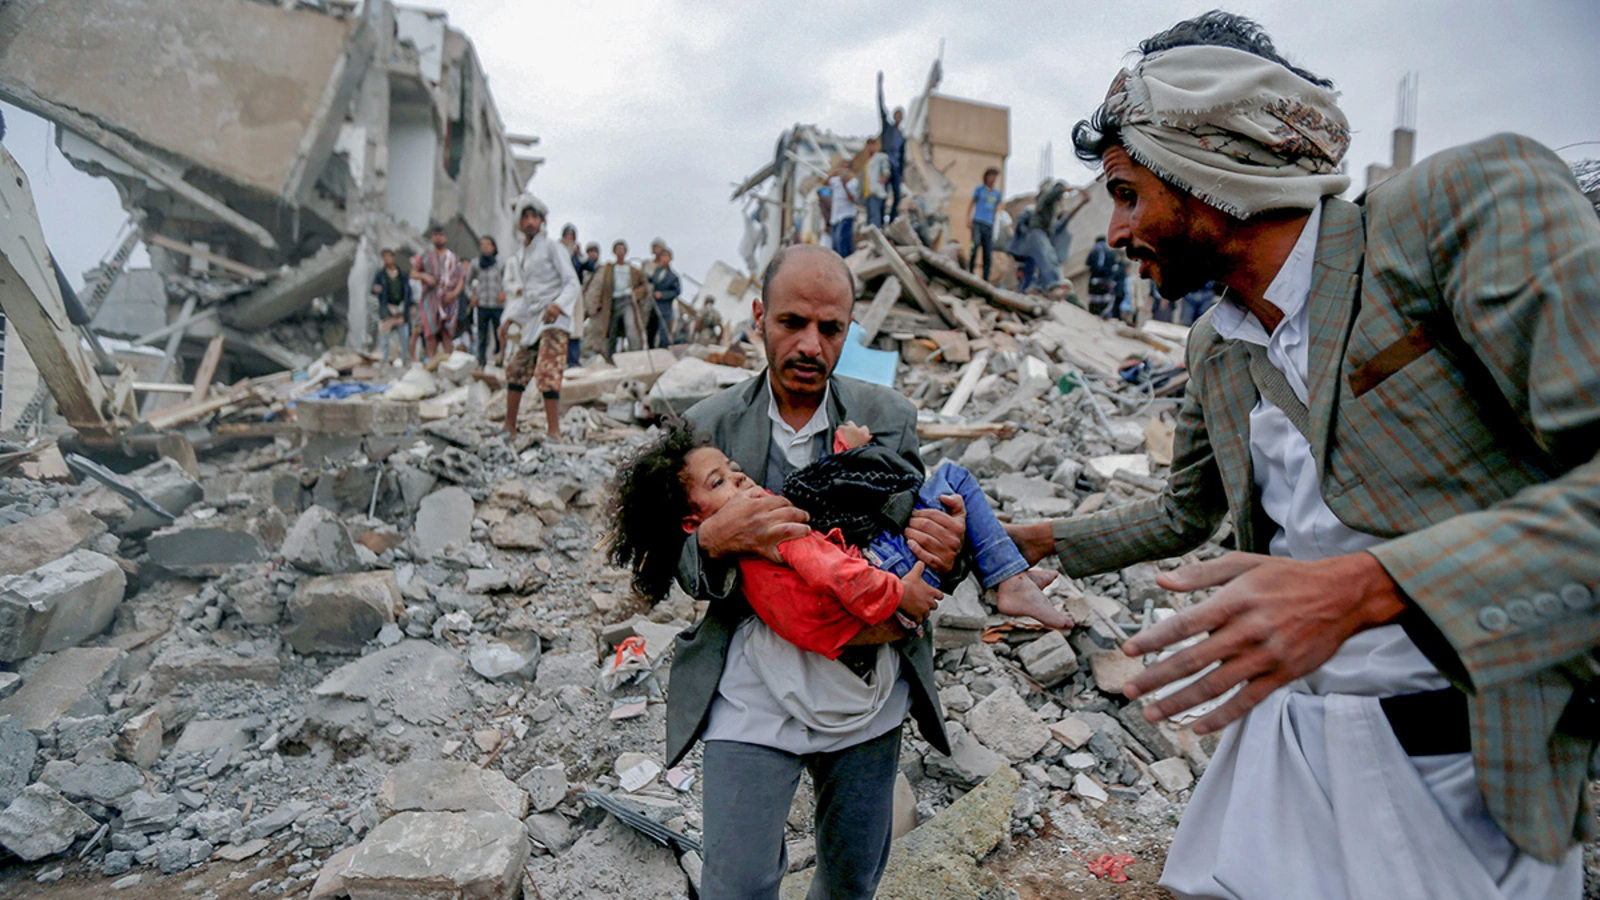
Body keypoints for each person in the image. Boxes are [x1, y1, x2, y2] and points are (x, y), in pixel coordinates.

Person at [1006, 12, 1599, 899]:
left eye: (1127, 193)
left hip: (1466, 768)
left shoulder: (1451, 215)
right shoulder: (1216, 345)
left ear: (1201, 169)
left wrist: (1365, 587)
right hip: (1284, 744)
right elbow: (1186, 513)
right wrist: (1043, 539)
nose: (1115, 231)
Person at [666, 245, 972, 899]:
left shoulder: (887, 418)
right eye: (791, 323)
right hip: (752, 688)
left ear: (849, 330)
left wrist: (946, 544)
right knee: (737, 885)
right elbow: (678, 568)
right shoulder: (707, 427)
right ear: (758, 318)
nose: (809, 344)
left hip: (865, 689)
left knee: (850, 882)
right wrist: (714, 543)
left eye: (829, 329)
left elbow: (923, 541)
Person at [613, 419, 1065, 648]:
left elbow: (841, 492)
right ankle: (1011, 578)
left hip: (880, 597)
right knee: (955, 476)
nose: (740, 479)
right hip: (881, 588)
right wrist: (897, 595)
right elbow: (834, 570)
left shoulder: (763, 526)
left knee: (947, 506)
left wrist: (852, 453)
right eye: (721, 482)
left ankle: (1011, 575)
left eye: (733, 471)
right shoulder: (767, 529)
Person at [500, 194, 579, 440]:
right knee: (516, 369)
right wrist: (511, 319)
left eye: (535, 216)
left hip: (555, 319)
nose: (531, 221)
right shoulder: (522, 255)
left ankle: (554, 432)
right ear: (519, 222)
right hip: (534, 319)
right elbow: (528, 297)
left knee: (548, 371)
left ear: (542, 220)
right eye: (526, 217)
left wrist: (558, 305)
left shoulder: (552, 247)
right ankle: (509, 428)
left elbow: (571, 283)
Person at [586, 240, 647, 363]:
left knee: (631, 327)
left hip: (627, 300)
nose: (620, 252)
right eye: (618, 249)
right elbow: (602, 287)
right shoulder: (608, 269)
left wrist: (636, 294)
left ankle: (636, 354)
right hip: (612, 301)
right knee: (611, 330)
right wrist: (598, 303)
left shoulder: (633, 270)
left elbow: (644, 286)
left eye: (622, 249)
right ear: (614, 252)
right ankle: (610, 358)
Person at [412, 225, 465, 358]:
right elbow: (413, 272)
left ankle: (448, 363)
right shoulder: (425, 255)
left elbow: (461, 278)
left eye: (440, 235)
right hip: (430, 297)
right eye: (435, 235)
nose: (438, 238)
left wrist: (454, 294)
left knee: (447, 333)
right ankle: (431, 361)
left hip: (449, 299)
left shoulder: (453, 258)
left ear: (445, 238)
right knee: (430, 333)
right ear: (432, 237)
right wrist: (425, 276)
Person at [466, 235, 506, 367]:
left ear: (494, 247)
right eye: (482, 244)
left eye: (488, 244)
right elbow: (467, 283)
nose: (485, 247)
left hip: (498, 306)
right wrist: (472, 296)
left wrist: (504, 292)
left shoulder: (501, 263)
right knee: (482, 336)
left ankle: (499, 361)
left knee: (499, 335)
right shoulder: (476, 264)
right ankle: (481, 363)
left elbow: (508, 281)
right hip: (482, 305)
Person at [371, 248, 413, 366]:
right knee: (385, 338)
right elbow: (374, 288)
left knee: (404, 337)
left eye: (389, 256)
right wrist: (376, 290)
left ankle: (406, 361)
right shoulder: (380, 275)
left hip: (400, 310)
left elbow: (408, 292)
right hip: (387, 310)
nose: (387, 259)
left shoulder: (402, 275)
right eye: (385, 257)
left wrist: (408, 306)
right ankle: (385, 362)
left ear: (393, 258)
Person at [877, 72, 906, 224]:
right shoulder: (887, 128)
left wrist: (902, 174)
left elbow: (903, 157)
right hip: (886, 164)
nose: (897, 117)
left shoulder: (902, 136)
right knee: (883, 192)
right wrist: (879, 86)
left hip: (895, 167)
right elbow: (881, 107)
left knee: (897, 195)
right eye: (896, 114)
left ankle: (892, 219)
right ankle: (881, 220)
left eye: (900, 115)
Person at [966, 167, 1002, 282]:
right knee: (974, 245)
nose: (992, 179)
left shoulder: (996, 193)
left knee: (987, 251)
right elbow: (972, 203)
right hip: (977, 222)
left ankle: (986, 277)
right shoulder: (980, 189)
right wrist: (968, 218)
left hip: (989, 224)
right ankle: (970, 270)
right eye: (991, 176)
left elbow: (996, 208)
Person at [647, 245, 681, 349]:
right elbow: (653, 281)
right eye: (663, 256)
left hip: (665, 307)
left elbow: (676, 291)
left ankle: (664, 350)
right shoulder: (657, 271)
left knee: (663, 331)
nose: (664, 259)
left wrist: (663, 295)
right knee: (650, 329)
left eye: (667, 256)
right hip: (654, 306)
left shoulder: (673, 277)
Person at [827, 164, 860, 257]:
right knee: (836, 243)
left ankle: (845, 259)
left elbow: (853, 199)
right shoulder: (836, 181)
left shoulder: (853, 183)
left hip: (846, 214)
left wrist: (845, 186)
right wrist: (833, 172)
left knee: (841, 239)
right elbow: (825, 183)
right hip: (835, 217)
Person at [1086, 235, 1118, 315]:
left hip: (1095, 283)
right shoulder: (1111, 253)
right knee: (1106, 304)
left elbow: (1088, 264)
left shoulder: (1093, 252)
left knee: (1094, 304)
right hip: (1106, 283)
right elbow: (1114, 267)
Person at [863, 139, 891, 228]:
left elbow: (886, 171)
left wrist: (881, 182)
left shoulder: (880, 157)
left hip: (876, 191)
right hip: (868, 192)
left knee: (875, 217)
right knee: (869, 217)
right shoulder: (868, 160)